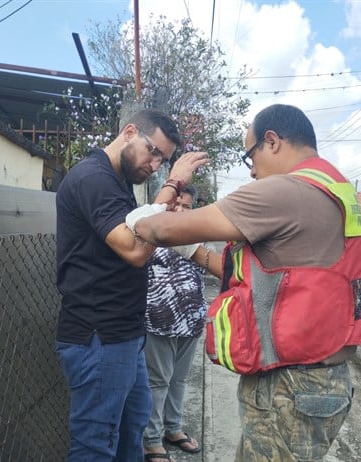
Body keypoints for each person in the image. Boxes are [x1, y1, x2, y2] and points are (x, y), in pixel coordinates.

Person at [129, 104, 361, 461]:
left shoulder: (285, 191)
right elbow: (271, 275)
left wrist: (172, 184)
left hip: (288, 387)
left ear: (271, 142)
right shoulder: (335, 186)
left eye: (249, 156)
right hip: (325, 379)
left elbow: (157, 227)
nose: (252, 171)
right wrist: (194, 252)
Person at [55, 108, 208, 461]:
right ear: (128, 132)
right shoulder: (92, 178)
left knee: (133, 426)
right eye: (153, 151)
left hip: (125, 335)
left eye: (164, 161)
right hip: (99, 335)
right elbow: (135, 249)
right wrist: (173, 185)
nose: (155, 165)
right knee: (96, 442)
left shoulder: (118, 182)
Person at [143, 185, 222, 461]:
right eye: (175, 205)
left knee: (179, 379)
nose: (180, 211)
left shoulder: (201, 238)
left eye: (186, 207)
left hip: (192, 320)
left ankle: (173, 429)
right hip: (158, 321)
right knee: (158, 381)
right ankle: (152, 440)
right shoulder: (150, 236)